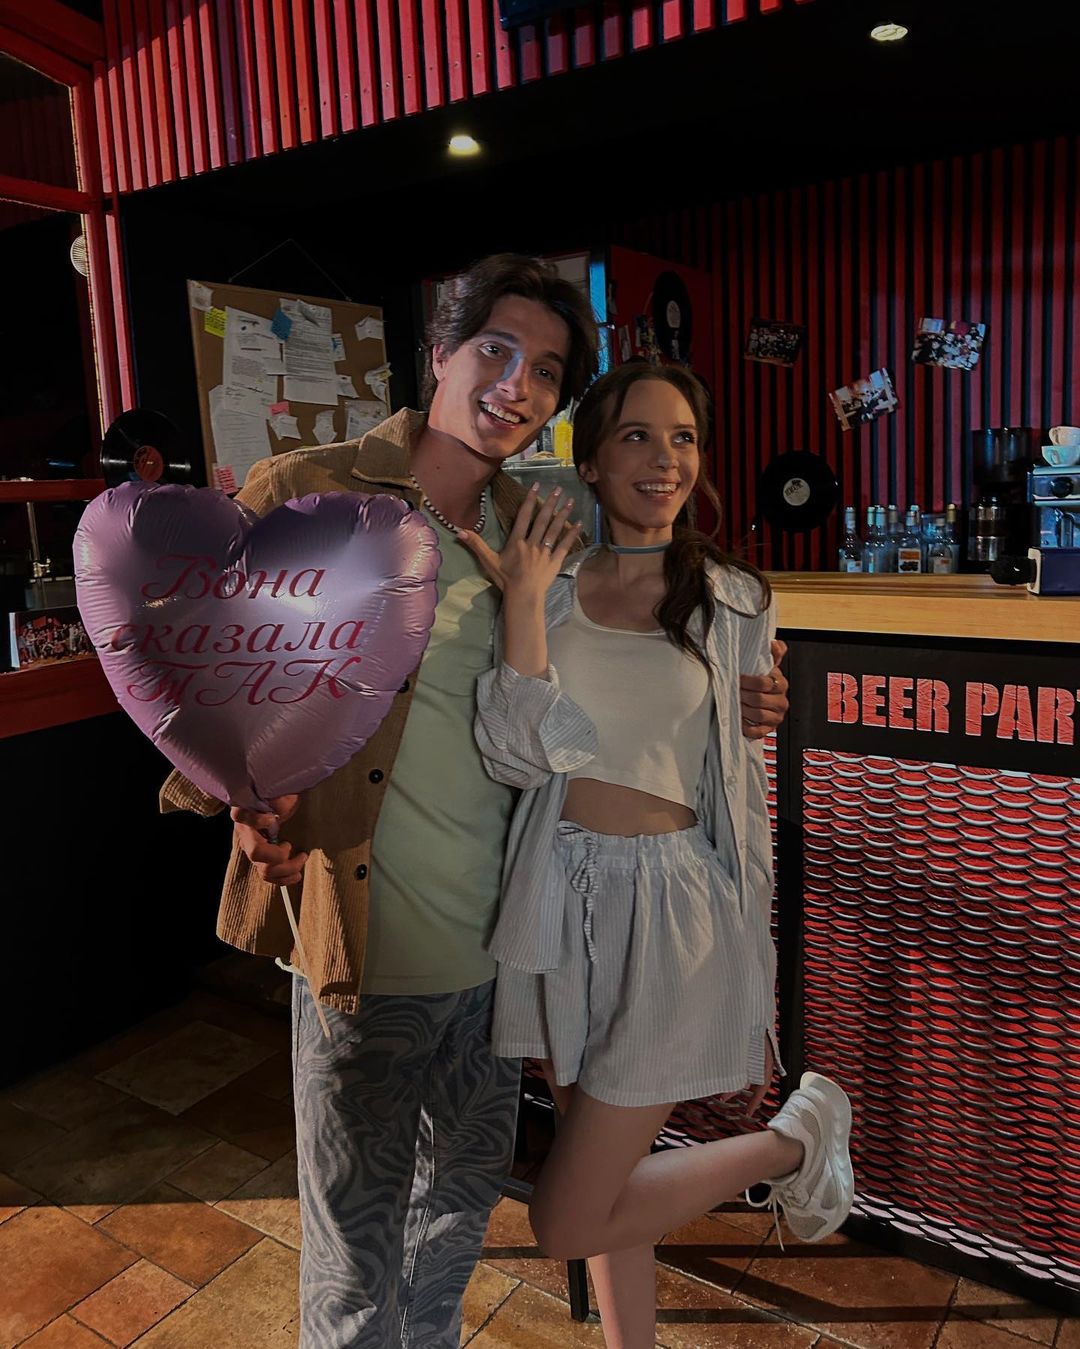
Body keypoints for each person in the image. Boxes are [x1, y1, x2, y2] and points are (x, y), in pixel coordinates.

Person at [160, 257, 791, 1348]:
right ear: (440, 353)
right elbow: (201, 674)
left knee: (449, 1229)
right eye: (496, 350)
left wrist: (747, 688)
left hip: (507, 954)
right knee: (355, 1263)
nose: (516, 383)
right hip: (366, 946)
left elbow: (620, 652)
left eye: (544, 369)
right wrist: (242, 799)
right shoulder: (308, 488)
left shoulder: (541, 526)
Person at [463, 361, 852, 1349]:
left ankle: (793, 1138)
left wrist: (762, 703)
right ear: (590, 461)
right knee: (604, 1181)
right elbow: (514, 755)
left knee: (565, 1216)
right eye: (636, 434)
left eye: (682, 437)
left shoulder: (733, 597)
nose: (663, 457)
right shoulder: (549, 588)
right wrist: (522, 600)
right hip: (559, 897)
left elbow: (738, 760)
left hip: (673, 905)